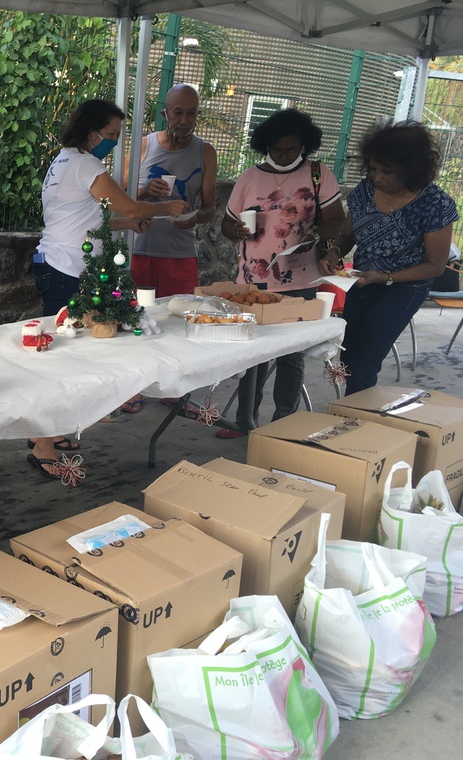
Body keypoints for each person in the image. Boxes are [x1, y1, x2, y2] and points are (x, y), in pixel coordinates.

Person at [29, 98, 185, 478]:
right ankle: (42, 444)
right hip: (65, 269)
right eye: (111, 134)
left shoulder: (63, 161)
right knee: (61, 358)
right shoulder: (86, 164)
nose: (114, 142)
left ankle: (52, 431)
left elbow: (84, 221)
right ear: (90, 132)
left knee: (66, 352)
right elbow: (129, 207)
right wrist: (167, 208)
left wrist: (127, 225)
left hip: (59, 263)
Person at [220, 109, 346, 438]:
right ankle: (244, 422)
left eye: (292, 150)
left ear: (305, 145)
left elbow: (337, 219)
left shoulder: (318, 174)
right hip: (252, 281)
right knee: (253, 355)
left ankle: (282, 425)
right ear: (265, 146)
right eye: (276, 150)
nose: (284, 156)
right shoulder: (250, 177)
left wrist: (314, 235)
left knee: (291, 356)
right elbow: (226, 224)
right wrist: (236, 231)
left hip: (300, 280)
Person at [320, 121, 457, 395]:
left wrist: (387, 277)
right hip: (362, 282)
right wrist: (334, 252)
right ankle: (350, 411)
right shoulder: (365, 191)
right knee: (348, 359)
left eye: (387, 171)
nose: (377, 177)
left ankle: (352, 416)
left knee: (364, 364)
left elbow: (435, 265)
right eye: (372, 169)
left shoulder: (435, 203)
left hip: (403, 289)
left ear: (412, 169)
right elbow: (348, 235)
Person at [131, 83, 218, 297]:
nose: (185, 121)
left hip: (181, 254)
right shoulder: (144, 146)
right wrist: (146, 191)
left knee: (178, 314)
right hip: (140, 250)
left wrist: (196, 218)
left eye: (191, 113)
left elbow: (210, 209)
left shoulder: (205, 152)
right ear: (165, 113)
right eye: (178, 113)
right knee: (137, 313)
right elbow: (119, 198)